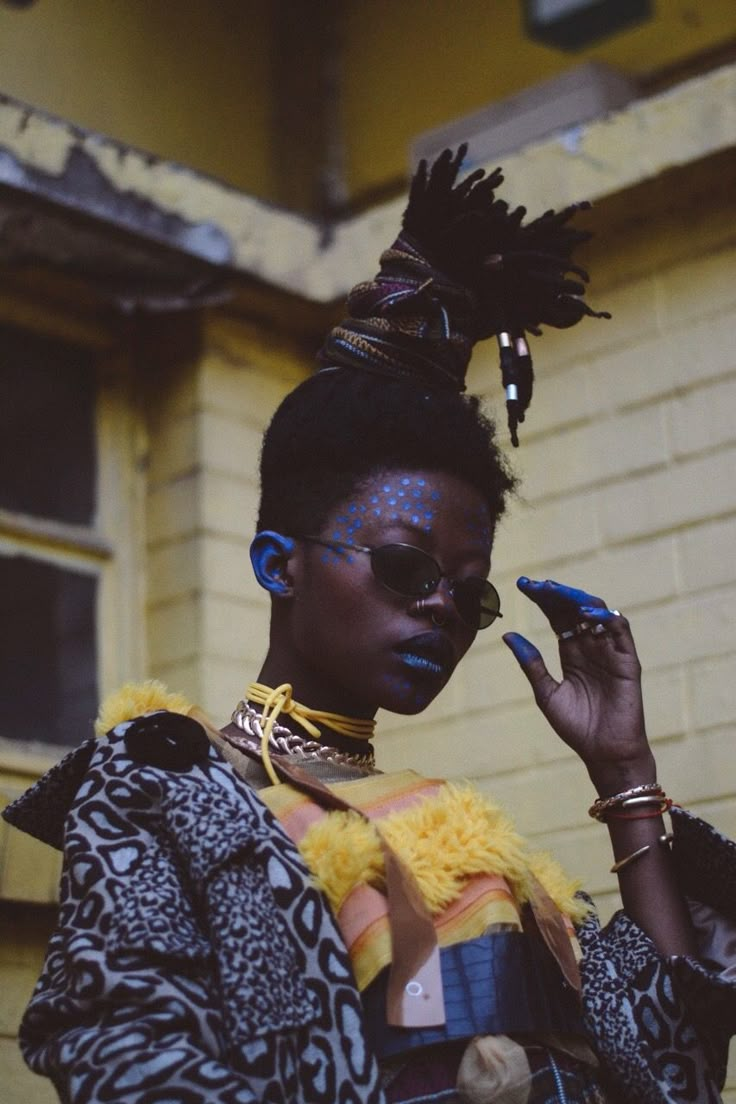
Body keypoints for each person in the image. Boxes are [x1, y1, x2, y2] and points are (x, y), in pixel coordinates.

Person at [5, 147, 736, 1104]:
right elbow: (127, 1062)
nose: (443, 606)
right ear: (280, 564)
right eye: (404, 567)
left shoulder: (479, 844)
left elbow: (675, 1071)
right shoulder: (167, 789)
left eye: (470, 594)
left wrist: (625, 774)